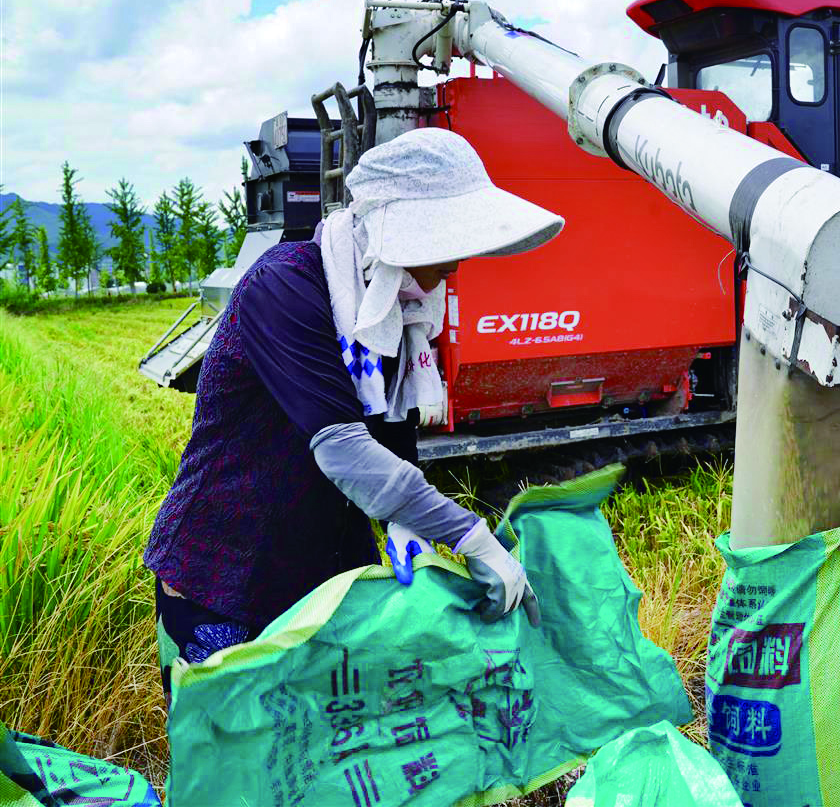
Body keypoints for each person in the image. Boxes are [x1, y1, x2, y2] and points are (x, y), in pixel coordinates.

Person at [144, 128, 564, 697]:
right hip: (226, 571)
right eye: (448, 243)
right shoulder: (285, 287)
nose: (457, 265)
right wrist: (470, 536)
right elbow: (344, 449)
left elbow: (392, 440)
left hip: (324, 573)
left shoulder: (390, 316)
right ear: (397, 236)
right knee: (235, 741)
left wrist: (406, 523)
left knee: (323, 737)